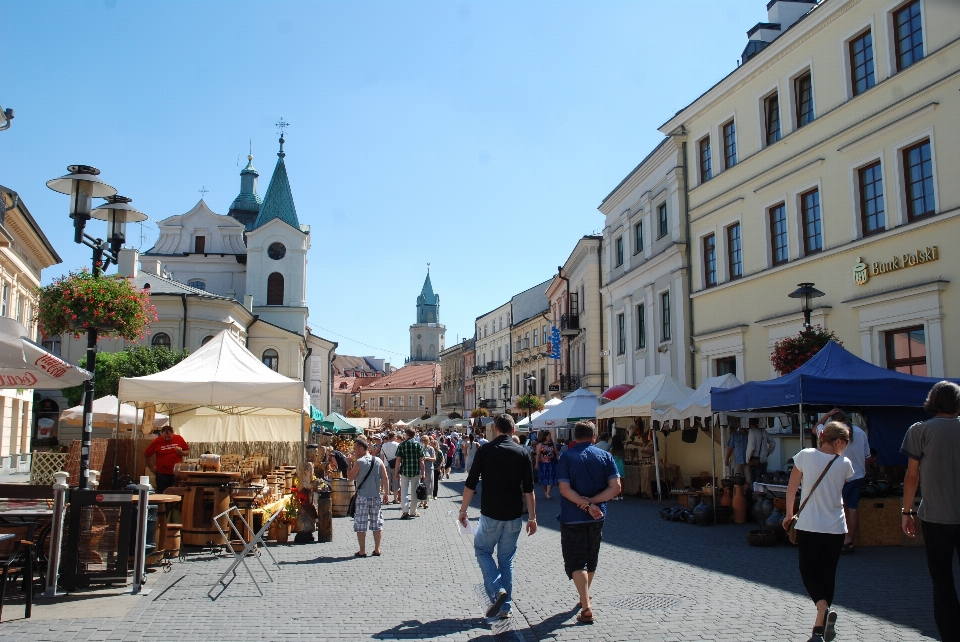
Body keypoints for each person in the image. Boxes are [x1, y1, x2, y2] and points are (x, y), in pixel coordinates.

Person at [458, 414, 537, 620]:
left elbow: (471, 484)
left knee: (482, 550)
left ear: (495, 429)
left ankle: (496, 589)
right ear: (513, 430)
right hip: (513, 515)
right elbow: (528, 490)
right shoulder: (522, 453)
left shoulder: (486, 451)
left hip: (491, 513)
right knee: (506, 560)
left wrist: (463, 510)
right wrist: (533, 517)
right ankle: (505, 608)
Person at [782, 421, 854, 642]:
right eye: (846, 443)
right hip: (835, 527)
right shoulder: (845, 464)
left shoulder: (805, 455)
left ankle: (822, 609)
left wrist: (788, 514)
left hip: (810, 524)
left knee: (808, 569)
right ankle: (818, 629)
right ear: (839, 441)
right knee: (827, 574)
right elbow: (838, 493)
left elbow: (792, 488)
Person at [901, 381, 960, 642]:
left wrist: (907, 511)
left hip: (936, 516)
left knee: (942, 580)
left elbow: (912, 477)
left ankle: (949, 634)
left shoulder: (920, 431)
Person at [557, 421, 621, 625]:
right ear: (593, 436)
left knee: (577, 561)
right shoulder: (605, 456)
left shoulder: (567, 456)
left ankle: (586, 607)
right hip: (597, 516)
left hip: (572, 516)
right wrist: (593, 503)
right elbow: (616, 487)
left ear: (575, 438)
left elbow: (565, 489)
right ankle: (585, 597)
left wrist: (584, 504)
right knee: (591, 558)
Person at [814, 410, 871, 554]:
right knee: (852, 509)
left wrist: (825, 415)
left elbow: (815, 429)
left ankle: (843, 540)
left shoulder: (830, 432)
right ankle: (850, 540)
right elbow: (867, 457)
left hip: (839, 476)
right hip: (857, 475)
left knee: (837, 508)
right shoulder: (860, 432)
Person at [346, 438, 389, 557]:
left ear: (361, 448)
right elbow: (385, 477)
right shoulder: (378, 461)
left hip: (362, 497)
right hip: (375, 496)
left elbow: (350, 477)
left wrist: (349, 463)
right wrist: (386, 493)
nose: (354, 451)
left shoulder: (359, 462)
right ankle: (377, 549)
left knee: (361, 523)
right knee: (377, 523)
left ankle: (362, 550)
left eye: (355, 448)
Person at [145, 426, 189, 493]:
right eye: (165, 437)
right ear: (161, 434)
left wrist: (181, 452)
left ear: (173, 433)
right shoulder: (157, 441)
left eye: (169, 437)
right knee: (162, 492)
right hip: (162, 473)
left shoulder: (179, 438)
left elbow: (187, 452)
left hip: (176, 474)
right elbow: (146, 454)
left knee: (175, 493)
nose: (167, 439)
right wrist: (151, 467)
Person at [394, 427, 425, 519]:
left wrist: (396, 471)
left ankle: (405, 511)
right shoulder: (418, 445)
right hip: (415, 471)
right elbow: (421, 460)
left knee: (404, 491)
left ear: (407, 434)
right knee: (414, 491)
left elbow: (398, 460)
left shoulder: (402, 445)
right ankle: (413, 511)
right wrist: (423, 472)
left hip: (404, 471)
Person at [745, 418, 776, 484]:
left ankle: (756, 493)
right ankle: (763, 493)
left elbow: (751, 447)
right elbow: (773, 443)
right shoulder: (764, 431)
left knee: (755, 482)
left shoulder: (752, 432)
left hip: (755, 461)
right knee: (763, 481)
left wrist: (747, 460)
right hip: (764, 460)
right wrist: (767, 452)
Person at [535, 430, 558, 499]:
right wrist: (536, 464)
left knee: (550, 478)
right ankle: (546, 492)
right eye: (549, 435)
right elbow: (538, 455)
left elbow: (557, 453)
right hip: (543, 464)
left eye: (550, 435)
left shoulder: (553, 444)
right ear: (545, 436)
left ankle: (548, 493)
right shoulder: (540, 445)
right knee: (543, 479)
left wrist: (558, 459)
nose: (550, 437)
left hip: (551, 463)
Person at [380, 431, 401, 504]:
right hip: (396, 465)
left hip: (386, 465)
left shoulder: (383, 445)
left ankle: (387, 498)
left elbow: (382, 457)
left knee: (387, 481)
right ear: (394, 437)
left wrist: (381, 466)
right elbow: (399, 457)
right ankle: (395, 498)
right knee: (396, 481)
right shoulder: (398, 445)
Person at [419, 435, 436, 509]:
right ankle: (421, 500)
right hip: (421, 469)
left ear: (428, 441)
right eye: (422, 440)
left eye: (425, 440)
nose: (423, 442)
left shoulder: (431, 448)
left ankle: (426, 501)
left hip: (429, 469)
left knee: (429, 485)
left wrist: (427, 458)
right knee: (421, 485)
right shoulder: (420, 448)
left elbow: (434, 459)